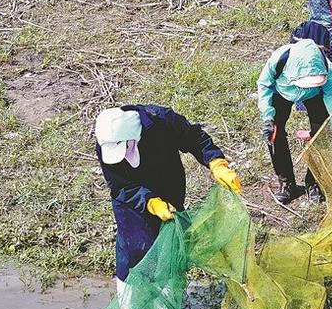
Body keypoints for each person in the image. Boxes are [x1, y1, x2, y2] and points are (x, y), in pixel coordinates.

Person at [95, 105, 241, 296]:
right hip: (131, 202)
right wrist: (149, 202)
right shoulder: (106, 144)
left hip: (168, 188)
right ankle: (128, 303)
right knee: (134, 249)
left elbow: (194, 137)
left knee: (171, 247)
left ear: (133, 137)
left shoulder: (162, 121)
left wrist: (216, 162)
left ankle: (169, 301)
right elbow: (120, 186)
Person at [258, 22, 332, 205]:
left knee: (322, 133)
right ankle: (287, 183)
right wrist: (268, 116)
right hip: (282, 92)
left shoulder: (327, 69)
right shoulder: (278, 60)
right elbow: (264, 85)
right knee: (274, 133)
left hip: (315, 96)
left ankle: (314, 182)